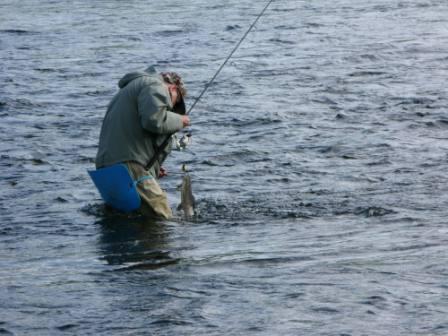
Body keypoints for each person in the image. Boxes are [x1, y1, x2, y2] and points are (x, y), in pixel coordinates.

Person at [95, 66, 190, 219]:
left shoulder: (129, 89)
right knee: (162, 214)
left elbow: (132, 133)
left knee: (124, 218)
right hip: (127, 166)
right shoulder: (155, 85)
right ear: (173, 88)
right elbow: (154, 121)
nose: (172, 107)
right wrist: (180, 120)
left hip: (107, 168)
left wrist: (151, 167)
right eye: (176, 101)